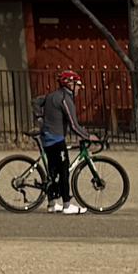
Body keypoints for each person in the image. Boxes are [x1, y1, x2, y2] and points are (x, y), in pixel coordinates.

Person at [34, 77, 84, 213]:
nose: (79, 87)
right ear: (70, 84)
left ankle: (52, 203)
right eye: (78, 84)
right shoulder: (64, 98)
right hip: (56, 139)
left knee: (53, 171)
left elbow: (37, 101)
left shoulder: (51, 96)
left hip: (47, 138)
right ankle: (67, 205)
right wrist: (87, 136)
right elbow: (73, 124)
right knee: (63, 171)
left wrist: (39, 117)